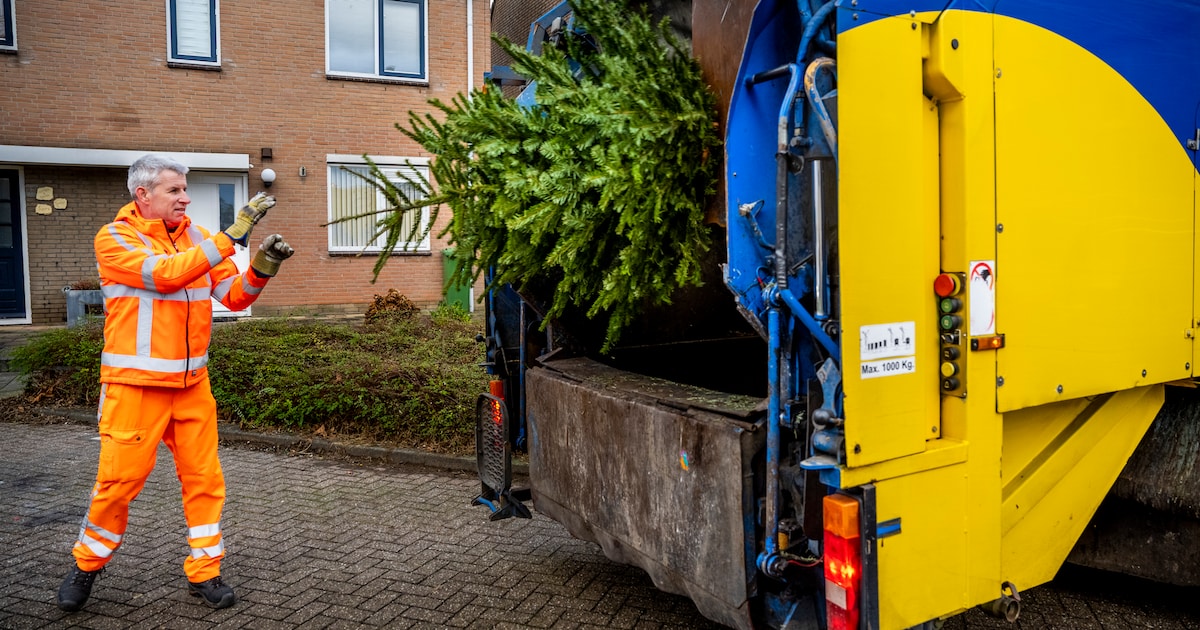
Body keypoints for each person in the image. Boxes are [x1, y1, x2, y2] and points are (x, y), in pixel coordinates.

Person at [57, 154, 295, 612]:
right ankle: (87, 565)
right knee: (118, 482)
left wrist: (262, 267)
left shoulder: (200, 239)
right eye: (174, 190)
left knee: (205, 480)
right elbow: (165, 277)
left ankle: (205, 571)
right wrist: (231, 238)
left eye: (185, 189)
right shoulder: (115, 239)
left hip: (192, 387)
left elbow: (232, 295)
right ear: (142, 194)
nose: (185, 198)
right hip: (135, 387)